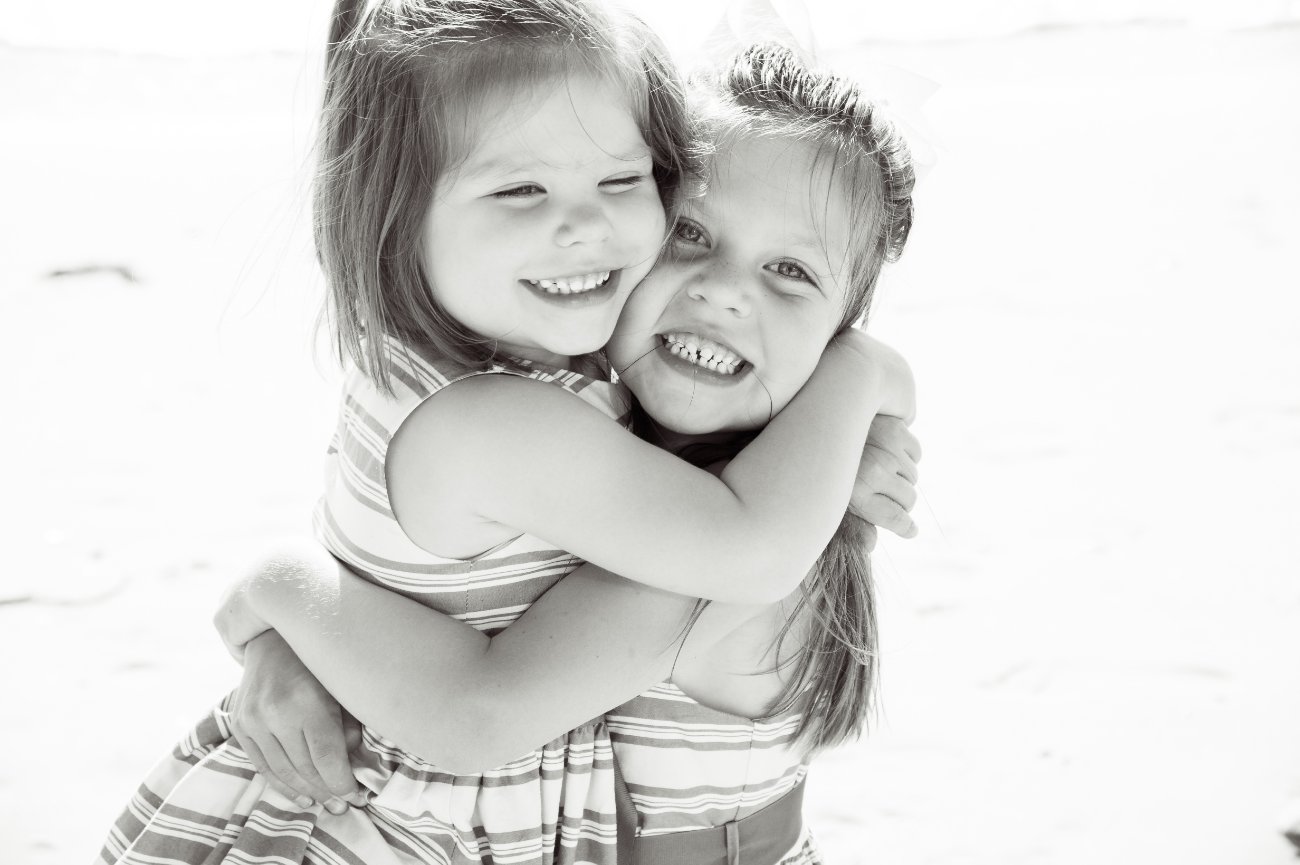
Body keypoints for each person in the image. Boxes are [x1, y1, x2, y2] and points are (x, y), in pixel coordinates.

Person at [92, 0, 914, 860]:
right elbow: (477, 706)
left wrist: (279, 602)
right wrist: (865, 372)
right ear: (392, 214)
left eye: (622, 182)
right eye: (691, 233)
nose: (587, 230)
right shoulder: (531, 422)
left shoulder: (528, 390)